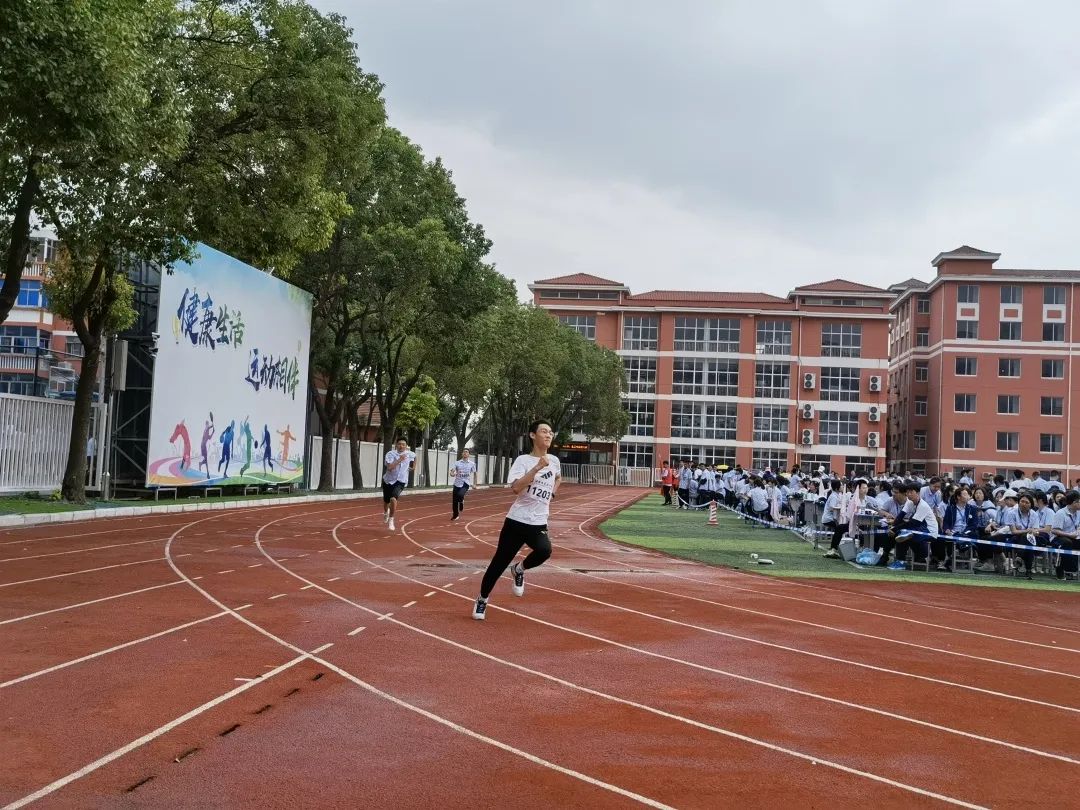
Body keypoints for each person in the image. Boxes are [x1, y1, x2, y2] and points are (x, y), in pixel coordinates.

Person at [473, 420, 561, 620]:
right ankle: (482, 599)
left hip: (538, 522)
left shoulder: (554, 461)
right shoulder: (523, 461)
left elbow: (558, 478)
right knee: (498, 563)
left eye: (551, 432)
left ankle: (519, 569)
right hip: (516, 521)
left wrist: (552, 495)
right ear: (532, 435)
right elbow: (515, 488)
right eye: (544, 431)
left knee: (545, 550)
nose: (549, 435)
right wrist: (537, 468)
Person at [382, 439, 416, 531]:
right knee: (386, 502)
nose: (401, 446)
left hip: (401, 481)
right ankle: (386, 512)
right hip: (388, 481)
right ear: (396, 445)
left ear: (406, 446)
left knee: (393, 498)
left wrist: (413, 467)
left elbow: (415, 457)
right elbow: (389, 468)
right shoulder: (390, 454)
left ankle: (391, 519)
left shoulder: (410, 454)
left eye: (403, 444)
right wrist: (400, 459)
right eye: (399, 444)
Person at [1050, 491, 1080, 580]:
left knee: (1071, 542)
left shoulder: (1078, 513)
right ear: (1074, 502)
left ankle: (1073, 569)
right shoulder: (1061, 513)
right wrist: (1070, 535)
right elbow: (1054, 530)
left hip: (1073, 537)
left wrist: (1077, 531)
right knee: (1066, 543)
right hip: (1057, 538)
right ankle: (1062, 570)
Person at [450, 449, 477, 520]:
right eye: (464, 452)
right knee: (454, 501)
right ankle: (455, 515)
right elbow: (452, 472)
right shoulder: (457, 463)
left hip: (465, 483)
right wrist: (453, 474)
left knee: (460, 495)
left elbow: (475, 474)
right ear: (462, 454)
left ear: (469, 454)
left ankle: (461, 501)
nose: (465, 453)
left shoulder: (472, 464)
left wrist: (474, 484)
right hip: (457, 483)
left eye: (466, 452)